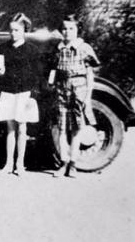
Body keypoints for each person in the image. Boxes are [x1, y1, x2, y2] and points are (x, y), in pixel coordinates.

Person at [49, 15, 100, 178]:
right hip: (61, 90)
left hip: (78, 90)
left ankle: (73, 164)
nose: (67, 32)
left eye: (71, 28)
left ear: (77, 30)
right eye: (64, 28)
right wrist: (51, 83)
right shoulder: (58, 49)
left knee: (77, 128)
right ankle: (63, 162)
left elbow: (90, 75)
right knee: (62, 127)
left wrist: (87, 97)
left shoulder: (84, 48)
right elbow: (53, 70)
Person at [0, 12, 40, 176]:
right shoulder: (3, 49)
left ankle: (20, 164)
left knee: (22, 128)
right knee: (10, 130)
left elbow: (36, 76)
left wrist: (32, 97)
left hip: (24, 93)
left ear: (24, 30)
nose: (13, 34)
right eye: (11, 30)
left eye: (17, 30)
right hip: (8, 92)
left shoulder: (32, 50)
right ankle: (8, 164)